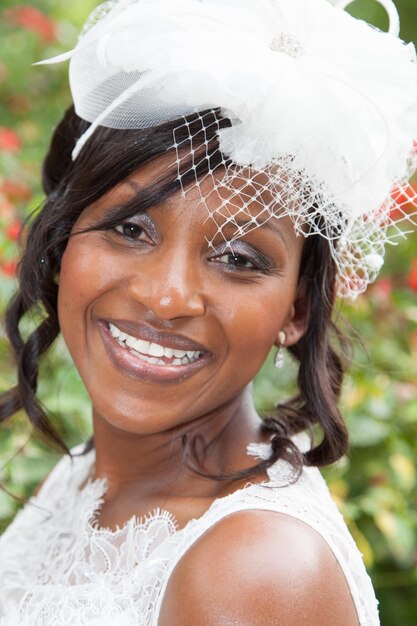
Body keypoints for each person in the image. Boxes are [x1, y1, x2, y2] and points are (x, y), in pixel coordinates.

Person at [0, 0, 416, 624]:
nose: (168, 297)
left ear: (297, 309)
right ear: (62, 242)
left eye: (239, 259)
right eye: (131, 228)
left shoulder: (253, 571)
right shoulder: (88, 475)